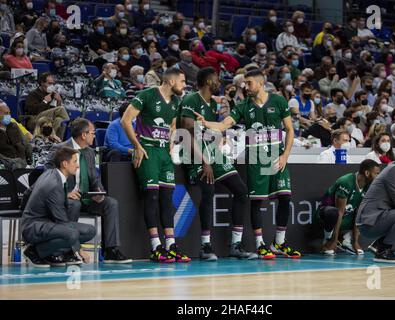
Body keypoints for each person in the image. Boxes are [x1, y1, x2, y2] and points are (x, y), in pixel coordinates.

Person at [194, 69, 301, 259]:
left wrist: (285, 154)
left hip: (277, 155)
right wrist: (206, 123)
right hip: (257, 157)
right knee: (257, 201)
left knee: (285, 198)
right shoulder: (243, 106)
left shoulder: (278, 101)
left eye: (249, 82)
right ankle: (260, 244)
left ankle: (279, 242)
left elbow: (290, 130)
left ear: (260, 83)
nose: (245, 86)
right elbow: (225, 124)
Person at [178, 67, 256, 261]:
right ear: (206, 82)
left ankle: (235, 245)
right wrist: (204, 161)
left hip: (213, 152)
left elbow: (211, 130)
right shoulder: (191, 100)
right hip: (194, 153)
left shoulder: (212, 104)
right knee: (208, 191)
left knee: (240, 190)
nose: (219, 83)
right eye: (216, 80)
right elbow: (187, 132)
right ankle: (205, 246)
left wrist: (220, 139)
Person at [121, 68, 191, 263]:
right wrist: (137, 146)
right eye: (182, 81)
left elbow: (173, 126)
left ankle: (170, 244)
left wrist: (171, 144)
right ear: (171, 81)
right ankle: (156, 246)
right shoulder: (147, 95)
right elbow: (126, 120)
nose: (184, 85)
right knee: (152, 196)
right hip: (148, 150)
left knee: (167, 199)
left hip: (164, 154)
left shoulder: (177, 102)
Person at [47, 118, 131, 263]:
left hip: (87, 197)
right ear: (83, 135)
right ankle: (67, 250)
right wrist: (64, 193)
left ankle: (111, 250)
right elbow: (48, 175)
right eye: (92, 133)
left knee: (111, 204)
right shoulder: (59, 149)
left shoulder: (90, 152)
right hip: (66, 198)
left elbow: (94, 177)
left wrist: (99, 191)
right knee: (74, 204)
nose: (94, 136)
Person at [22, 147, 96, 267]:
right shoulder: (53, 184)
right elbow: (62, 222)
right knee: (71, 233)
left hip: (39, 223)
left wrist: (25, 212)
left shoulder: (49, 173)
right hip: (35, 227)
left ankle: (49, 252)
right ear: (65, 164)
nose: (77, 166)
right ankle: (34, 252)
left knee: (89, 230)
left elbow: (27, 193)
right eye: (75, 162)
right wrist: (79, 249)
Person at [317, 160, 380, 256]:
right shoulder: (346, 182)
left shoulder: (369, 186)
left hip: (346, 218)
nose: (378, 177)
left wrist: (355, 241)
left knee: (372, 211)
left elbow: (359, 213)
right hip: (325, 217)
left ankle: (347, 239)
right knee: (333, 212)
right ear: (367, 173)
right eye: (376, 174)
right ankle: (328, 240)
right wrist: (333, 241)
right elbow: (340, 212)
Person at [24, 72, 69, 137]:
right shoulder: (33, 94)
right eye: (49, 83)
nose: (51, 86)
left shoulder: (52, 94)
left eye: (53, 84)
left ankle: (55, 141)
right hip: (34, 119)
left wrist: (59, 101)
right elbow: (32, 111)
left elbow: (55, 111)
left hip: (48, 118)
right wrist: (45, 101)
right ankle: (72, 127)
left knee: (59, 120)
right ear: (42, 83)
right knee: (61, 109)